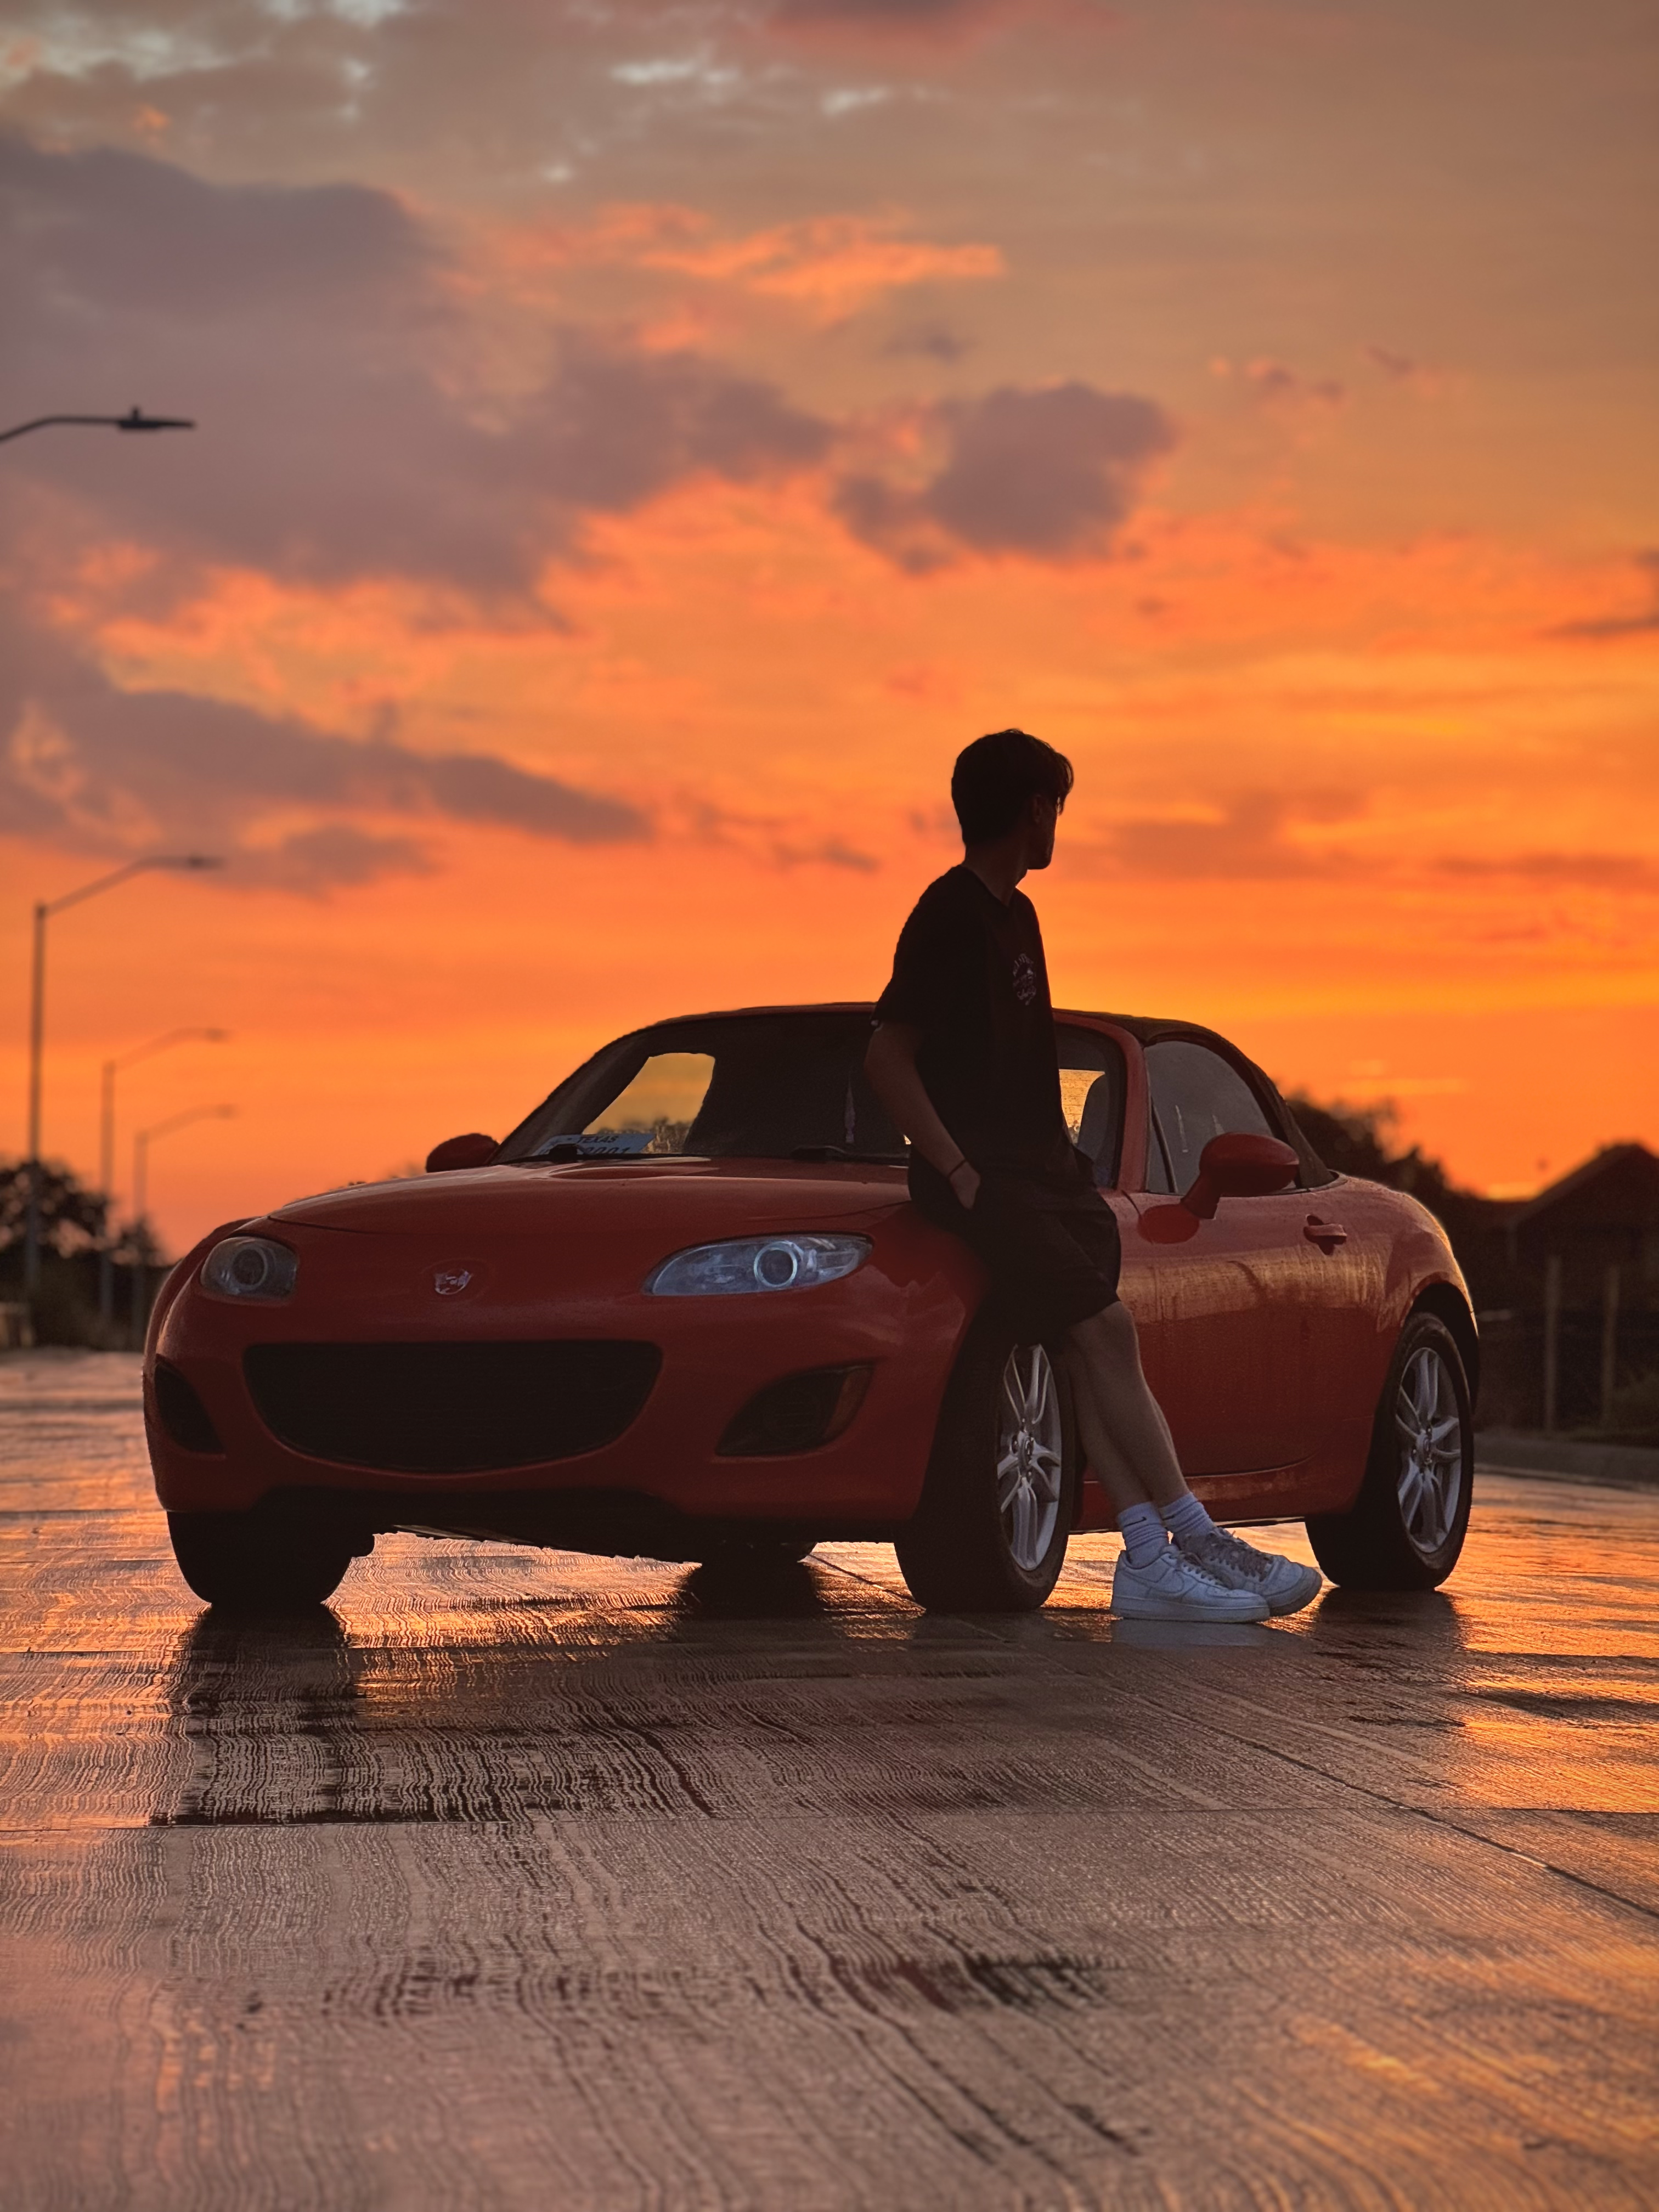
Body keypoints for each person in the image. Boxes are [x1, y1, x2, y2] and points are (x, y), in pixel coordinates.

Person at [865, 728, 1322, 1622]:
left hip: (1042, 1178)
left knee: (1086, 1350)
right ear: (1034, 810)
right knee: (1107, 1330)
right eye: (1056, 810)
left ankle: (1151, 1557)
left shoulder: (1017, 916)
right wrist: (956, 1170)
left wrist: (1062, 1164)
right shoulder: (948, 915)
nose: (1057, 828)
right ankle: (1195, 1537)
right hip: (986, 1184)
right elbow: (887, 1057)